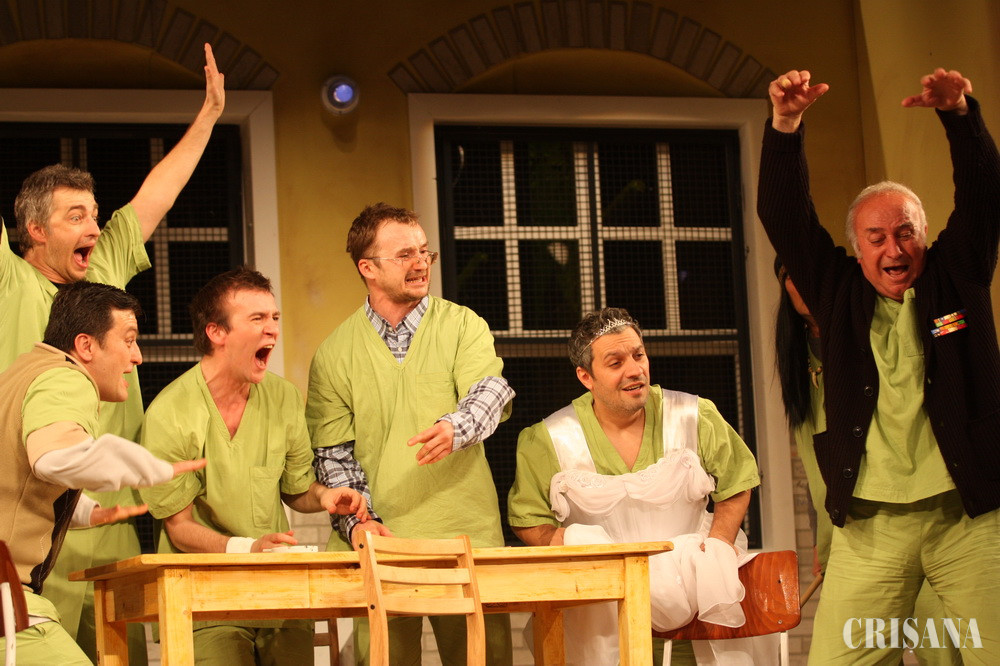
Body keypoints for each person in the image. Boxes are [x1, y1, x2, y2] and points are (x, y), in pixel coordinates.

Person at [759, 67, 1000, 663]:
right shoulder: (835, 291)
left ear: (924, 234)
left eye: (905, 233)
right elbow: (785, 216)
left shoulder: (957, 276)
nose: (894, 249)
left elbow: (984, 194)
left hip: (968, 520)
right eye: (876, 237)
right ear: (856, 246)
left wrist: (960, 117)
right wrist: (785, 125)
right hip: (871, 531)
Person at [0, 42, 226, 664]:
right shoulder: (8, 277)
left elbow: (159, 193)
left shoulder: (102, 275)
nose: (94, 228)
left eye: (96, 215)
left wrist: (210, 115)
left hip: (99, 516)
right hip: (27, 513)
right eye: (76, 216)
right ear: (35, 230)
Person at [306, 202, 516, 665]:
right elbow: (334, 455)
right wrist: (359, 524)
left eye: (425, 251)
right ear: (368, 268)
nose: (421, 263)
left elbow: (490, 389)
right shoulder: (334, 354)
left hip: (465, 537)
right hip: (382, 546)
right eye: (405, 254)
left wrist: (456, 427)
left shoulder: (462, 324)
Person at [138, 267, 369, 665]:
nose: (272, 329)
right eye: (257, 318)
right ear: (217, 332)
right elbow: (179, 528)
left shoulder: (283, 398)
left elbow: (296, 489)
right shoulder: (170, 413)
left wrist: (325, 496)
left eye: (274, 317)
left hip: (280, 596)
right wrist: (248, 549)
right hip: (206, 599)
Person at [507, 307, 762, 665]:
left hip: (694, 604)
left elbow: (737, 480)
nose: (634, 370)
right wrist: (567, 542)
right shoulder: (549, 438)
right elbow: (527, 518)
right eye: (615, 363)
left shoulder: (692, 415)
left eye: (639, 355)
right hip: (599, 612)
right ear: (586, 376)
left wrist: (718, 543)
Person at [0, 282, 205, 664]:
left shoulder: (23, 370)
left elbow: (20, 475)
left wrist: (84, 511)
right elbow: (53, 458)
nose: (137, 357)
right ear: (85, 346)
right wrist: (150, 468)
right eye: (128, 340)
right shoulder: (66, 377)